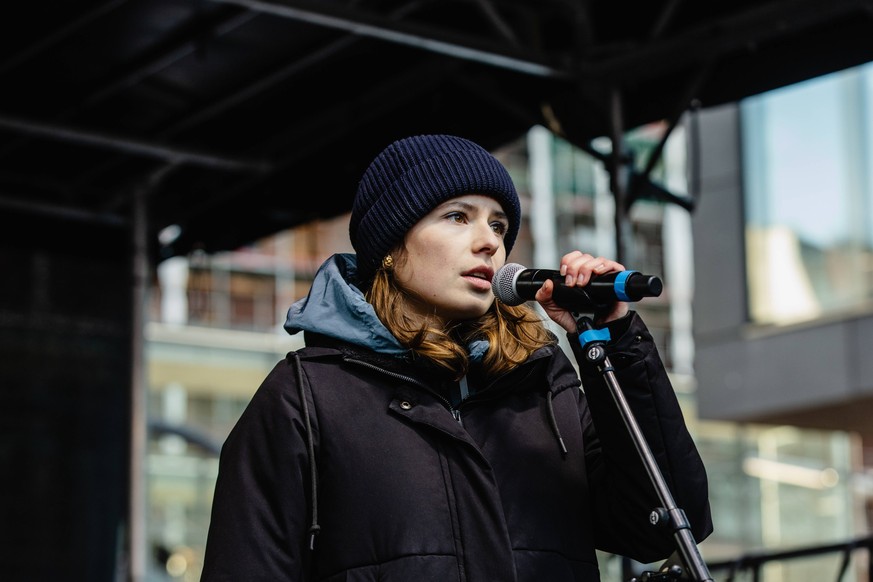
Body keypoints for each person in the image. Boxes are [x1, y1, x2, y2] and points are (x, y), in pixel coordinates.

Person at [200, 134, 712, 581]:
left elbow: (662, 524)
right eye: (456, 217)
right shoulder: (305, 397)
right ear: (389, 246)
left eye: (499, 224)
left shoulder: (545, 381)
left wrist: (614, 337)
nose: (488, 241)